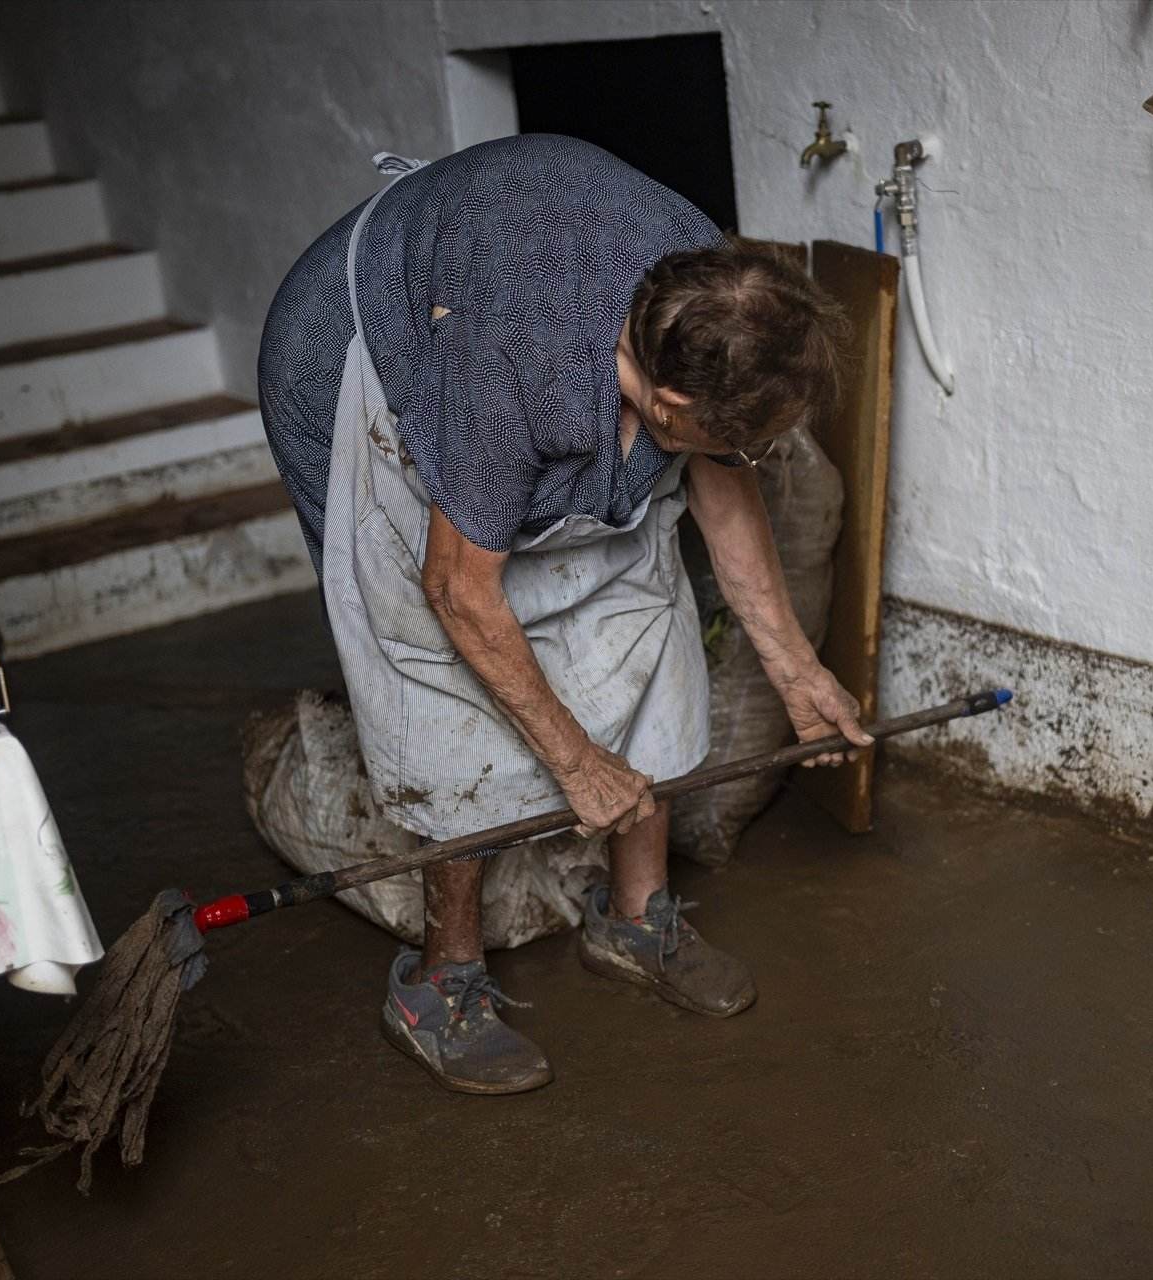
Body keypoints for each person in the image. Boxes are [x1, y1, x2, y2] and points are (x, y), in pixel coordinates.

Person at [257, 134, 869, 1095]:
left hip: (512, 300)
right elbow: (456, 590)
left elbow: (718, 483)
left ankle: (636, 915)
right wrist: (576, 765)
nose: (745, 459)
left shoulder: (708, 295)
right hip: (369, 352)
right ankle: (441, 980)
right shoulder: (515, 371)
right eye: (735, 443)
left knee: (643, 603)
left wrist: (797, 671)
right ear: (667, 403)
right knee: (443, 671)